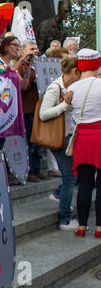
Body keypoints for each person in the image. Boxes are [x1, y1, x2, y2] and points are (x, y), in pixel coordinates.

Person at [39, 56, 81, 231]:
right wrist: (64, 105)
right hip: (58, 139)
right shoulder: (55, 88)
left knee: (73, 176)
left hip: (67, 136)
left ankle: (58, 194)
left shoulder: (70, 86)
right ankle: (64, 219)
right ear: (75, 72)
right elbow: (43, 114)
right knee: (70, 177)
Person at [66, 49, 101, 238]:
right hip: (99, 136)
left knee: (85, 184)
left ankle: (81, 226)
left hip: (81, 138)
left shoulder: (73, 88)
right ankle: (99, 228)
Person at [17, 41, 51, 182]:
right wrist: (33, 82)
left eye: (36, 49)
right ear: (23, 52)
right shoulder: (21, 66)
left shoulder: (39, 65)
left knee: (38, 142)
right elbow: (22, 88)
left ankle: (36, 170)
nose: (35, 51)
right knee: (31, 143)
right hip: (28, 109)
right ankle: (29, 171)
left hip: (39, 108)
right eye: (32, 49)